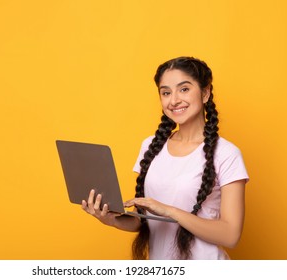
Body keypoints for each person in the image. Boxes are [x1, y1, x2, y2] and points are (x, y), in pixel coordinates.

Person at [81, 57, 249, 260]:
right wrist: (110, 219)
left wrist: (170, 211)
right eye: (166, 92)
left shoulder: (227, 154)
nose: (174, 100)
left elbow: (230, 235)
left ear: (205, 93)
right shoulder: (150, 146)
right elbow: (143, 221)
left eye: (184, 89)